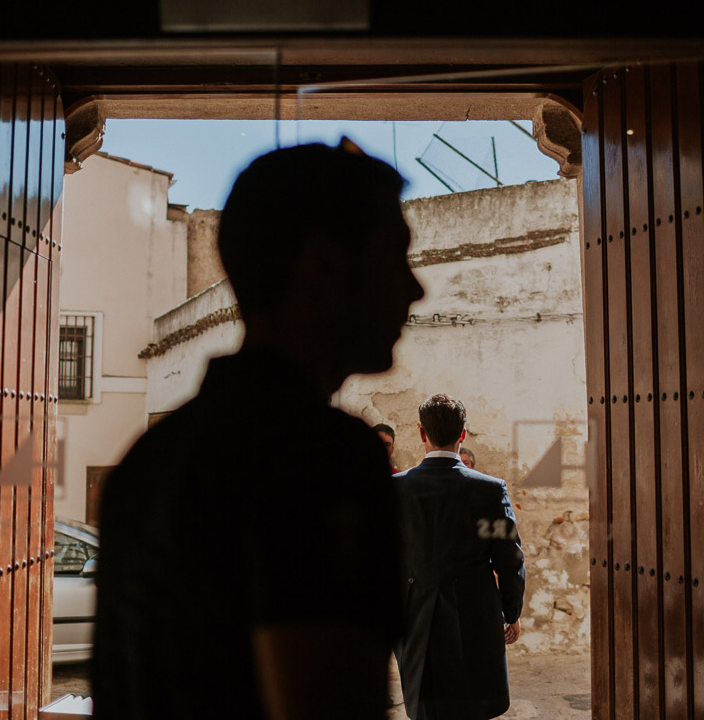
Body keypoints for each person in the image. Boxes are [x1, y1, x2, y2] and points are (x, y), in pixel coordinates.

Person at [93, 140, 425, 720]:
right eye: (395, 257)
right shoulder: (321, 455)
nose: (414, 289)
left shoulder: (150, 458)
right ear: (321, 266)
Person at [393, 394, 525, 720]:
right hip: (475, 614)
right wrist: (510, 611)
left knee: (426, 706)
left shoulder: (395, 489)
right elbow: (508, 558)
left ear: (422, 432)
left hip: (414, 614)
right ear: (463, 433)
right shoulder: (490, 489)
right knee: (472, 703)